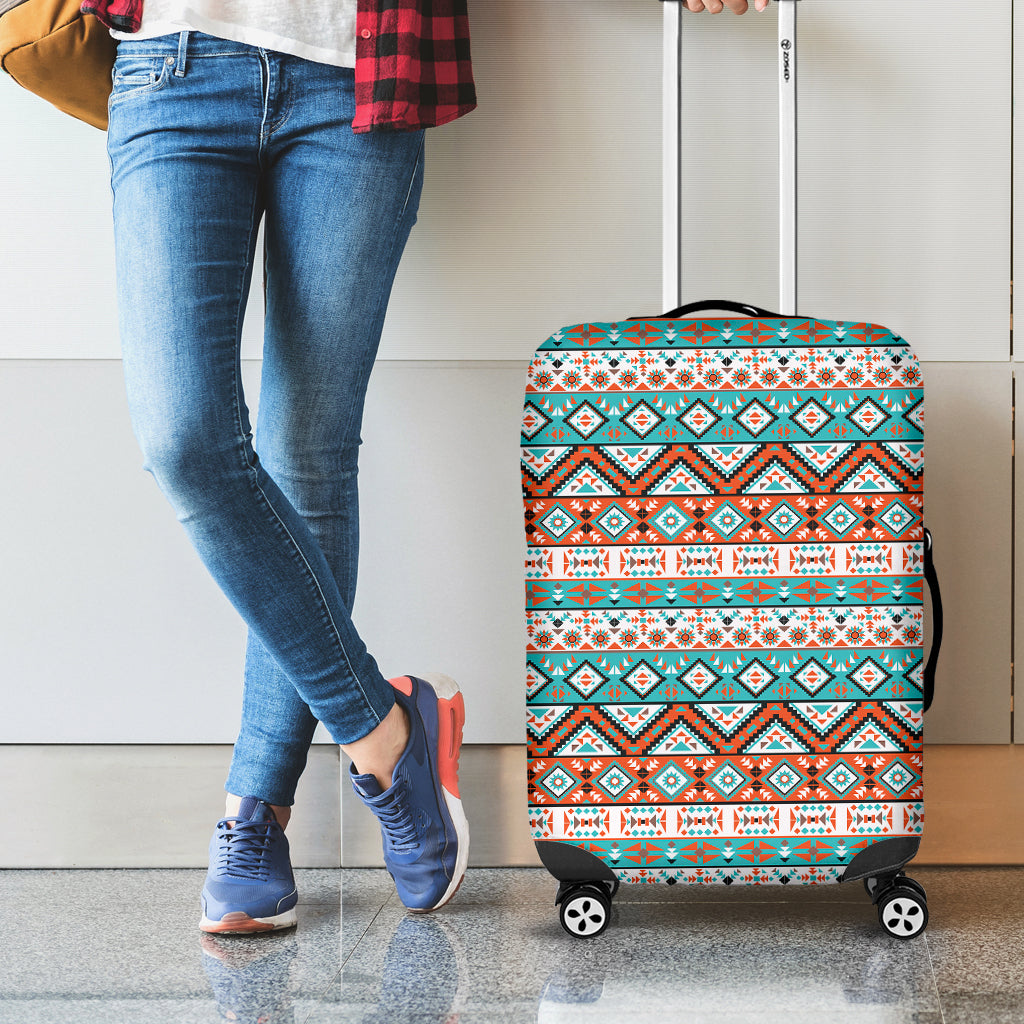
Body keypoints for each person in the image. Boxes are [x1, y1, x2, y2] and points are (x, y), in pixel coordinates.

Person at [83, 0, 475, 932]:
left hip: (359, 79)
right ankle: (386, 729)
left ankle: (255, 813)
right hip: (173, 69)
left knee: (308, 454)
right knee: (184, 441)